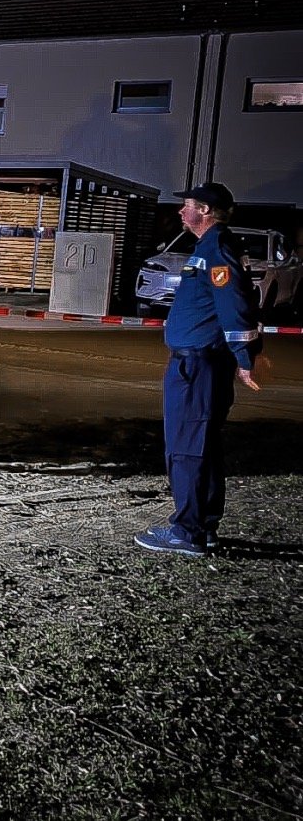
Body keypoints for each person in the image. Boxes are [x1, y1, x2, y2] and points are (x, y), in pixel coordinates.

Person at [135, 181, 264, 558]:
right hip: (200, 364)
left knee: (187, 448)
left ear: (205, 210)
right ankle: (202, 527)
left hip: (197, 368)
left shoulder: (216, 249)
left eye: (187, 205)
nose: (181, 211)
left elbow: (235, 306)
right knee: (201, 447)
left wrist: (246, 358)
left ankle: (188, 532)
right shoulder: (211, 247)